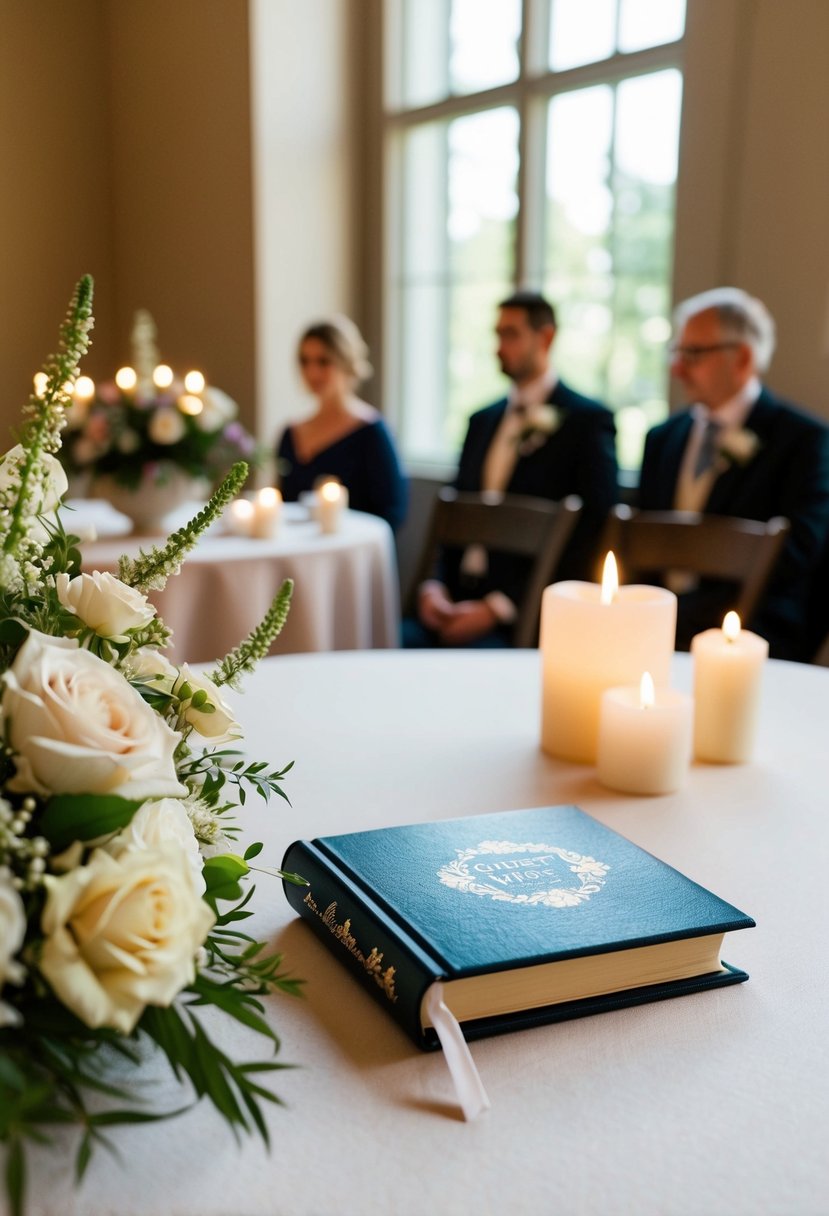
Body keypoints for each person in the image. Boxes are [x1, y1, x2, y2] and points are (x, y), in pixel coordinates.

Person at [404, 290, 618, 647]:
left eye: (511, 334)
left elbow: (589, 533)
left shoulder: (587, 422)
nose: (499, 347)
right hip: (453, 599)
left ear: (546, 337)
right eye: (497, 334)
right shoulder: (480, 421)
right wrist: (434, 586)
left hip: (522, 616)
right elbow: (454, 518)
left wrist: (499, 607)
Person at [638, 286, 829, 659]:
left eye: (693, 353)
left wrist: (693, 617)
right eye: (677, 352)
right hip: (658, 629)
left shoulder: (804, 441)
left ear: (742, 358)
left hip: (752, 632)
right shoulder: (662, 438)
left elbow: (797, 555)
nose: (677, 368)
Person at [276, 316, 408, 531]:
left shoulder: (371, 433)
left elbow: (391, 512)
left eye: (323, 361)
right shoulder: (290, 434)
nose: (312, 372)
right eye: (305, 361)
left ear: (346, 363)